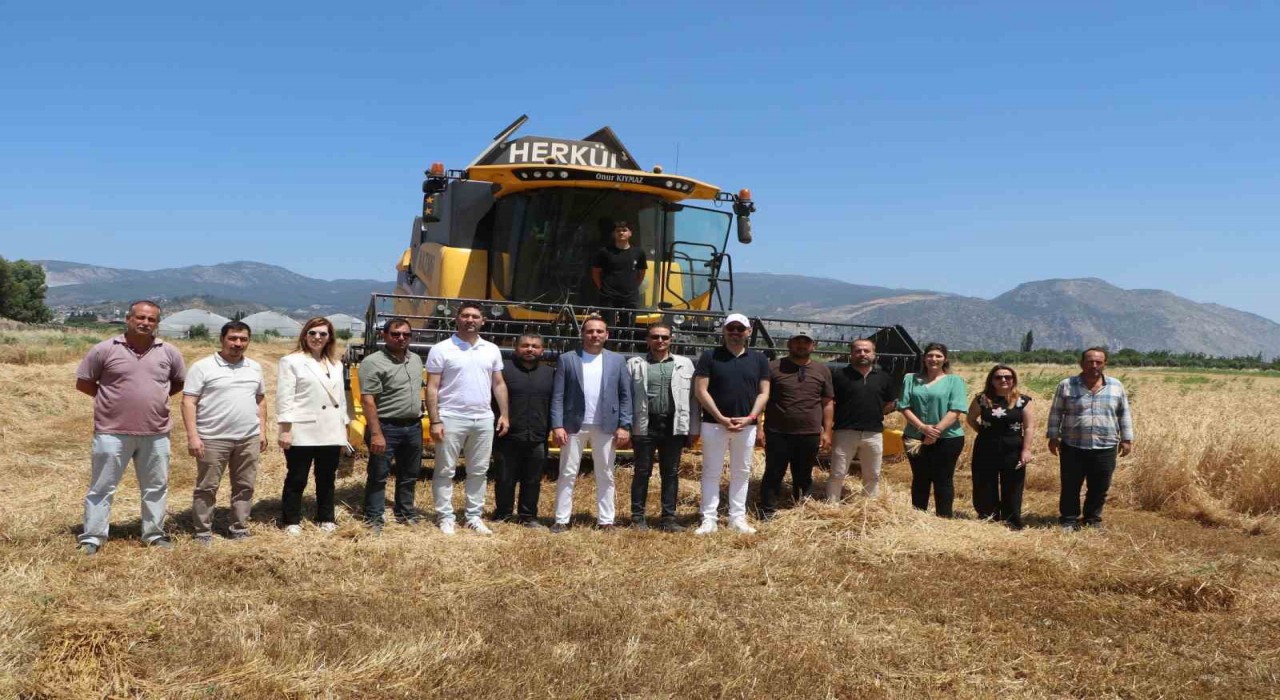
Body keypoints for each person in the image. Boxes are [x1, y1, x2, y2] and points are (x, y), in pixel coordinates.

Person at [74, 300, 186, 554]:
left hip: (156, 432)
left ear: (157, 323)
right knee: (102, 487)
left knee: (156, 487)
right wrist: (112, 401)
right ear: (128, 318)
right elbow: (84, 383)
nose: (145, 323)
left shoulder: (168, 352)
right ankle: (92, 536)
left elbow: (177, 384)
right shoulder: (104, 349)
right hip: (111, 431)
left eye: (152, 320)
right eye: (140, 318)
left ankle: (154, 534)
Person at [181, 320, 267, 544]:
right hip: (213, 437)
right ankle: (202, 531)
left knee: (244, 485)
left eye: (243, 339)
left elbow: (260, 400)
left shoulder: (254, 367)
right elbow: (188, 402)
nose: (238, 344)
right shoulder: (202, 367)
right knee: (207, 487)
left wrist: (262, 431)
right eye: (233, 338)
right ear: (222, 339)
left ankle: (238, 527)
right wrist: (193, 436)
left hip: (248, 437)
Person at [426, 302, 509, 536]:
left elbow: (498, 384)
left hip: (483, 418)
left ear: (483, 320)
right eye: (465, 316)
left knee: (479, 470)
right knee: (445, 470)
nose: (470, 320)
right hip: (451, 417)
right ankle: (445, 516)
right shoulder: (441, 349)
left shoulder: (491, 349)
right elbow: (432, 388)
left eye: (475, 316)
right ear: (457, 319)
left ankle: (473, 516)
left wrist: (504, 414)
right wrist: (435, 420)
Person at [550, 316, 633, 532]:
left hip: (607, 425)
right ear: (582, 334)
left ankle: (606, 520)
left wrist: (625, 425)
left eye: (599, 331)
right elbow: (558, 396)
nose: (594, 335)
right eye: (590, 331)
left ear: (607, 335)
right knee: (567, 473)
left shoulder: (617, 360)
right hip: (572, 425)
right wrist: (557, 425)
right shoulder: (567, 359)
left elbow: (625, 395)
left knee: (605, 473)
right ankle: (561, 519)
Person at [693, 313, 771, 535]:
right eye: (731, 328)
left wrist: (750, 418)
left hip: (746, 426)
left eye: (740, 329)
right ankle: (709, 519)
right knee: (711, 472)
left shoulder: (759, 359)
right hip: (714, 425)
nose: (735, 333)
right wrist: (720, 417)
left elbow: (764, 393)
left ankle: (737, 518)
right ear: (724, 331)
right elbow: (700, 390)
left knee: (741, 472)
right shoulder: (710, 356)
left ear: (748, 332)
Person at [1046, 347, 1134, 530]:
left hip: (1105, 445)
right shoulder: (1066, 385)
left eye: (1098, 362)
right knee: (1070, 485)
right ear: (1081, 363)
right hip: (1073, 445)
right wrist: (1053, 436)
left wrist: (1127, 439)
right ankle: (1069, 519)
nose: (1094, 365)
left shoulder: (1116, 386)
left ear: (1105, 364)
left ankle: (1092, 519)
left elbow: (1124, 413)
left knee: (1099, 487)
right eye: (1090, 361)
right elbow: (1056, 412)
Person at [277, 317, 349, 535]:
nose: (317, 337)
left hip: (331, 430)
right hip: (303, 429)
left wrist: (344, 429)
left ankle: (326, 516)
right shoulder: (291, 361)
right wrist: (285, 430)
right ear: (305, 335)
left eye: (323, 334)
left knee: (327, 478)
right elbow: (285, 398)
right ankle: (291, 520)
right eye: (313, 333)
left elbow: (341, 400)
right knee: (297, 477)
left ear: (329, 338)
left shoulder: (336, 364)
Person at [626, 322, 697, 532]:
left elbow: (693, 399)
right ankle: (638, 517)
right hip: (645, 423)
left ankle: (668, 518)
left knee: (671, 472)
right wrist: (626, 426)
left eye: (664, 337)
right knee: (641, 471)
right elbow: (626, 397)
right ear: (647, 340)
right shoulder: (634, 364)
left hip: (673, 424)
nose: (660, 341)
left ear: (671, 340)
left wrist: (693, 428)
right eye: (655, 337)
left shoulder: (685, 364)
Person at [359, 317, 425, 533]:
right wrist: (376, 433)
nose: (401, 338)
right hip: (386, 426)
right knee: (379, 474)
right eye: (395, 334)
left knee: (409, 473)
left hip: (413, 426)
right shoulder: (373, 362)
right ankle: (374, 517)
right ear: (384, 335)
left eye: (406, 334)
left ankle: (405, 512)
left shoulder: (415, 359)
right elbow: (368, 400)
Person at [758, 331, 833, 520]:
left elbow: (827, 402)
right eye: (797, 342)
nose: (801, 346)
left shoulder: (822, 370)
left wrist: (827, 432)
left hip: (809, 432)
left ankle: (801, 510)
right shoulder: (773, 367)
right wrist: (759, 427)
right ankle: (767, 511)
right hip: (777, 432)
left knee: (804, 474)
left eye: (805, 342)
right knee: (774, 472)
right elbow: (762, 398)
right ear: (789, 345)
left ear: (813, 346)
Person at [898, 342, 967, 517]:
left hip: (948, 438)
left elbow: (956, 410)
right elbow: (904, 406)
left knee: (943, 479)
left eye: (938, 356)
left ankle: (943, 517)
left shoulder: (955, 381)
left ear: (945, 359)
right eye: (930, 355)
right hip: (914, 436)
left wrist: (935, 431)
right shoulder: (910, 379)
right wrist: (922, 428)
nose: (933, 359)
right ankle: (918, 516)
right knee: (920, 478)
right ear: (924, 358)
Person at [493, 333, 554, 528]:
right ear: (516, 348)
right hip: (507, 436)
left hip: (537, 435)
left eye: (535, 346)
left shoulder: (550, 374)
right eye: (525, 346)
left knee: (533, 479)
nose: (530, 349)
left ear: (542, 350)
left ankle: (528, 516)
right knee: (504, 478)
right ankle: (503, 514)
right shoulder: (503, 371)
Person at [827, 338, 897, 500]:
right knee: (837, 472)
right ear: (851, 354)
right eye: (858, 351)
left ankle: (868, 507)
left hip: (874, 433)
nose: (862, 354)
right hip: (844, 431)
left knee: (872, 474)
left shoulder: (884, 378)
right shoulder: (838, 376)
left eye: (866, 351)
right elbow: (829, 402)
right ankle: (832, 506)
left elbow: (890, 403)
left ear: (874, 354)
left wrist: (875, 413)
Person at [966, 364, 1035, 530]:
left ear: (1013, 380)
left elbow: (1029, 427)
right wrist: (982, 431)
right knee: (984, 482)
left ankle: (1012, 521)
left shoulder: (1023, 400)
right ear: (991, 380)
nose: (1003, 380)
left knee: (1013, 484)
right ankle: (988, 518)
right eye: (998, 377)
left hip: (1013, 447)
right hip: (986, 447)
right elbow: (971, 419)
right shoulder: (982, 399)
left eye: (1007, 377)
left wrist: (1026, 450)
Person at [591, 220, 647, 329]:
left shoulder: (639, 253)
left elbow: (642, 272)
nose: (621, 233)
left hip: (630, 296)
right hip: (609, 296)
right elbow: (595, 272)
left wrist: (633, 286)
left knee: (627, 328)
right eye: (618, 231)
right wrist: (602, 288)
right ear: (614, 234)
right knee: (608, 327)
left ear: (630, 233)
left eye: (624, 230)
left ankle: (625, 346)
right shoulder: (604, 252)